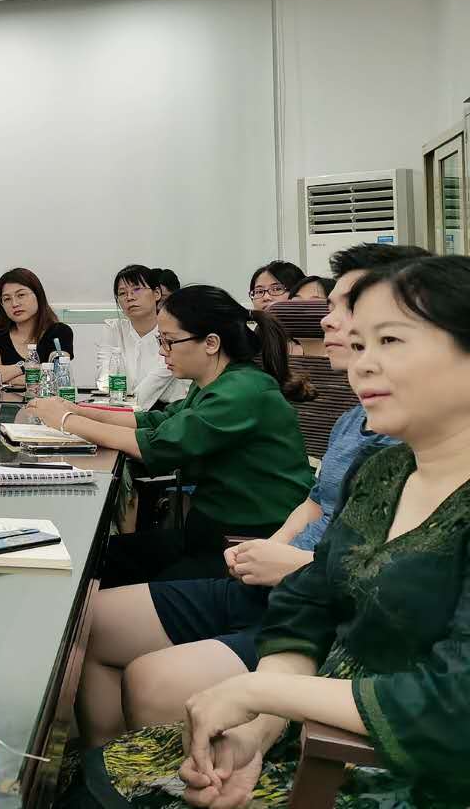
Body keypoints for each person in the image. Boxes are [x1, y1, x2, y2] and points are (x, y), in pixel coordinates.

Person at [70, 255, 470, 809]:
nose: (363, 364)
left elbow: (453, 707)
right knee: (94, 779)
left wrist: (265, 692)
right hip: (305, 725)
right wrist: (259, 728)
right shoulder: (383, 470)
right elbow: (308, 603)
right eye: (360, 345)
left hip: (385, 773)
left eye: (390, 341)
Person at [25, 285, 314, 587]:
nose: (162, 351)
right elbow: (156, 420)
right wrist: (77, 410)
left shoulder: (241, 392)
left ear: (211, 343)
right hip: (208, 534)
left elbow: (157, 444)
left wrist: (66, 421)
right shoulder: (218, 382)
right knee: (98, 559)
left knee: (99, 582)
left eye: (169, 341)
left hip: (244, 546)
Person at [98, 264, 188, 412]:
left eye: (137, 289)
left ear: (157, 293)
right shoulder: (113, 328)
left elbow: (155, 381)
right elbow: (104, 377)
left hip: (170, 411)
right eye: (122, 293)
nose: (130, 297)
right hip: (121, 406)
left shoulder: (174, 330)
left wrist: (119, 412)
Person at [0, 268, 73, 384]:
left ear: (38, 294)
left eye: (21, 295)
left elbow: (58, 376)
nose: (15, 304)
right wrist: (23, 367)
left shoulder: (59, 332)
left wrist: (3, 376)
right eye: (7, 299)